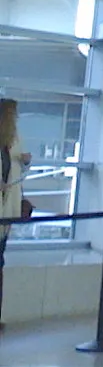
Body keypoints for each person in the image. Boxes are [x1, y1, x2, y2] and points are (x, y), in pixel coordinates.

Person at [0, 98, 32, 332]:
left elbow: (17, 174)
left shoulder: (13, 140)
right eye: (13, 115)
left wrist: (26, 162)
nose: (16, 119)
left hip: (6, 211)